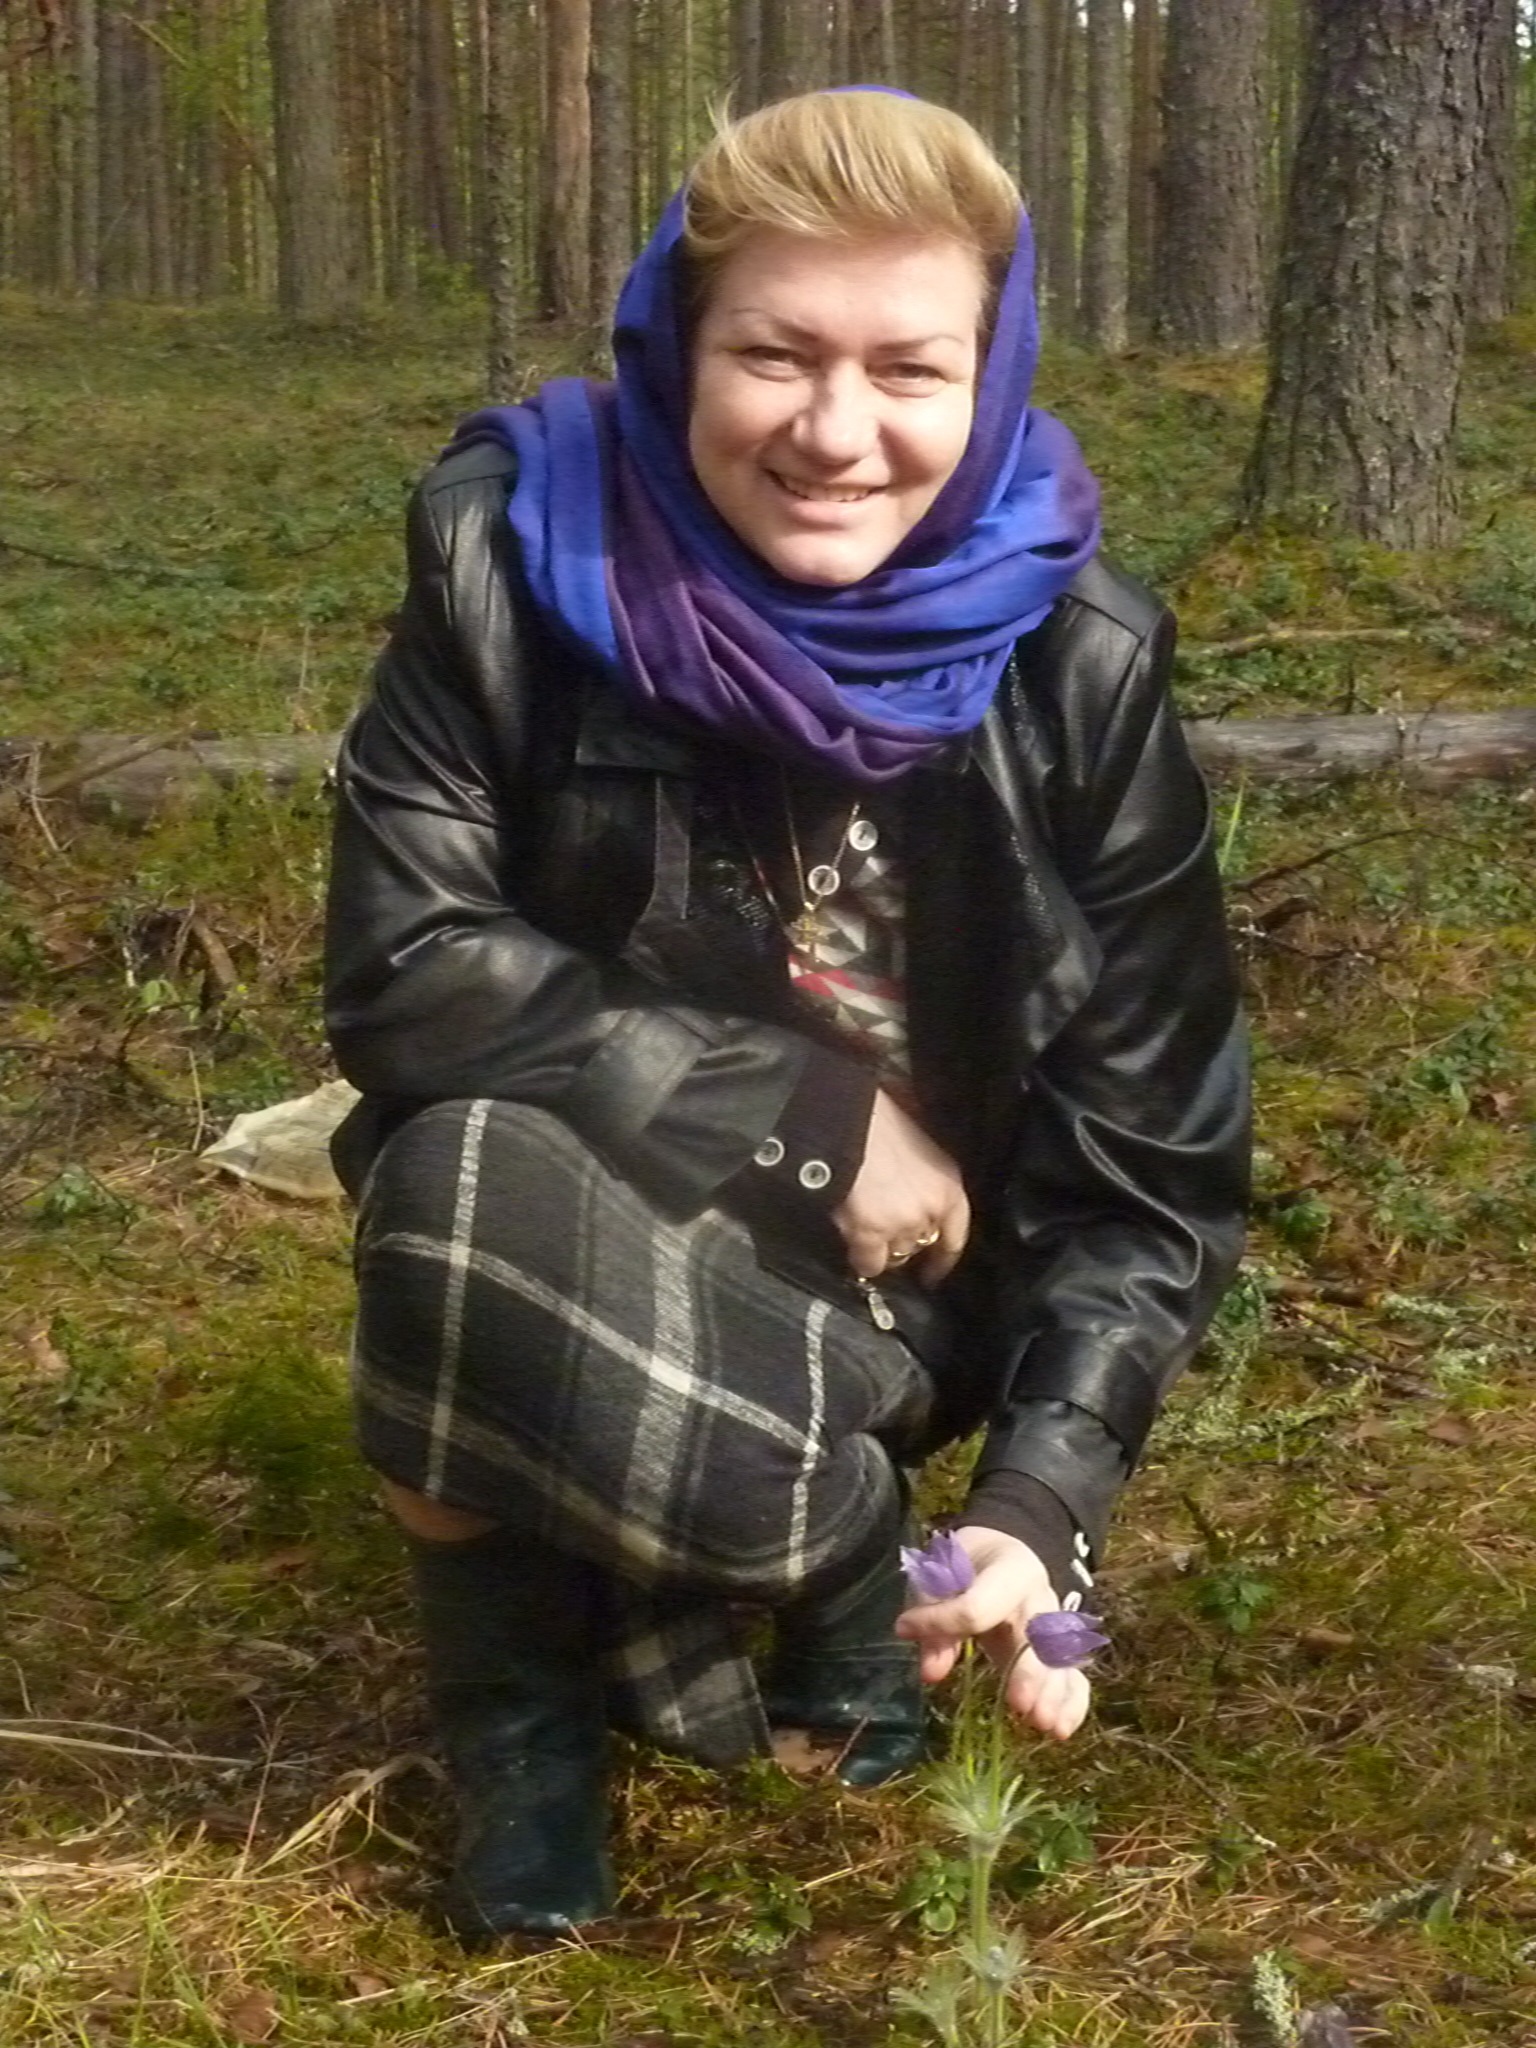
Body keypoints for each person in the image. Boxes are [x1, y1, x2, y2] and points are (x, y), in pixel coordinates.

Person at [323, 88, 1248, 1943]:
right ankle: (538, 1717)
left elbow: (1156, 1170)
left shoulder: (1083, 660)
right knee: (444, 1187)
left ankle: (815, 1548)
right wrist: (806, 1110)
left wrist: (1037, 1508)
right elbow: (408, 962)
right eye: (775, 355)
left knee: (689, 1411)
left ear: (989, 377)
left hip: (922, 1304)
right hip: (597, 1217)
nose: (836, 432)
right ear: (682, 350)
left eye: (909, 369)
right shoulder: (508, 558)